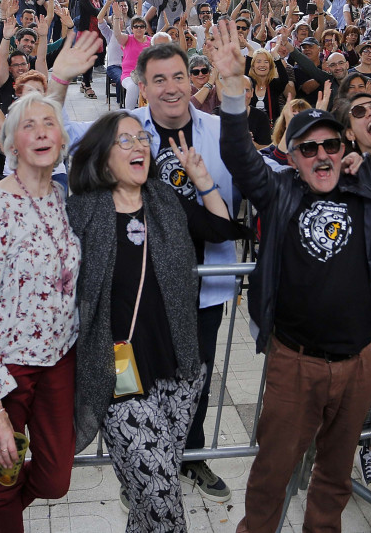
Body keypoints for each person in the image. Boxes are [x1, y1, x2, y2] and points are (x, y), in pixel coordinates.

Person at [214, 16, 371, 533]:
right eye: (308, 148)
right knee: (272, 473)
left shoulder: (368, 186)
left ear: (345, 150)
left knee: (334, 476)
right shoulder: (279, 191)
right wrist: (230, 89)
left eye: (332, 146)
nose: (322, 155)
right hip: (295, 362)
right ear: (293, 158)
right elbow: (239, 157)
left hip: (359, 361)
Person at [53, 35, 241, 505]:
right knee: (134, 391)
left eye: (180, 76)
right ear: (141, 85)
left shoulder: (216, 136)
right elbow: (50, 140)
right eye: (159, 79)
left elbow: (230, 217)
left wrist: (204, 179)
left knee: (188, 377)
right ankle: (144, 469)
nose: (172, 87)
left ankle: (184, 456)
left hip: (200, 291)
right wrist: (57, 80)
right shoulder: (121, 133)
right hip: (125, 323)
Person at [0, 93, 79, 533]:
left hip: (58, 359)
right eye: (28, 126)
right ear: (12, 143)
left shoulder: (62, 197)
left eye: (48, 124)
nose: (40, 133)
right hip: (9, 366)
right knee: (6, 479)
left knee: (55, 479)